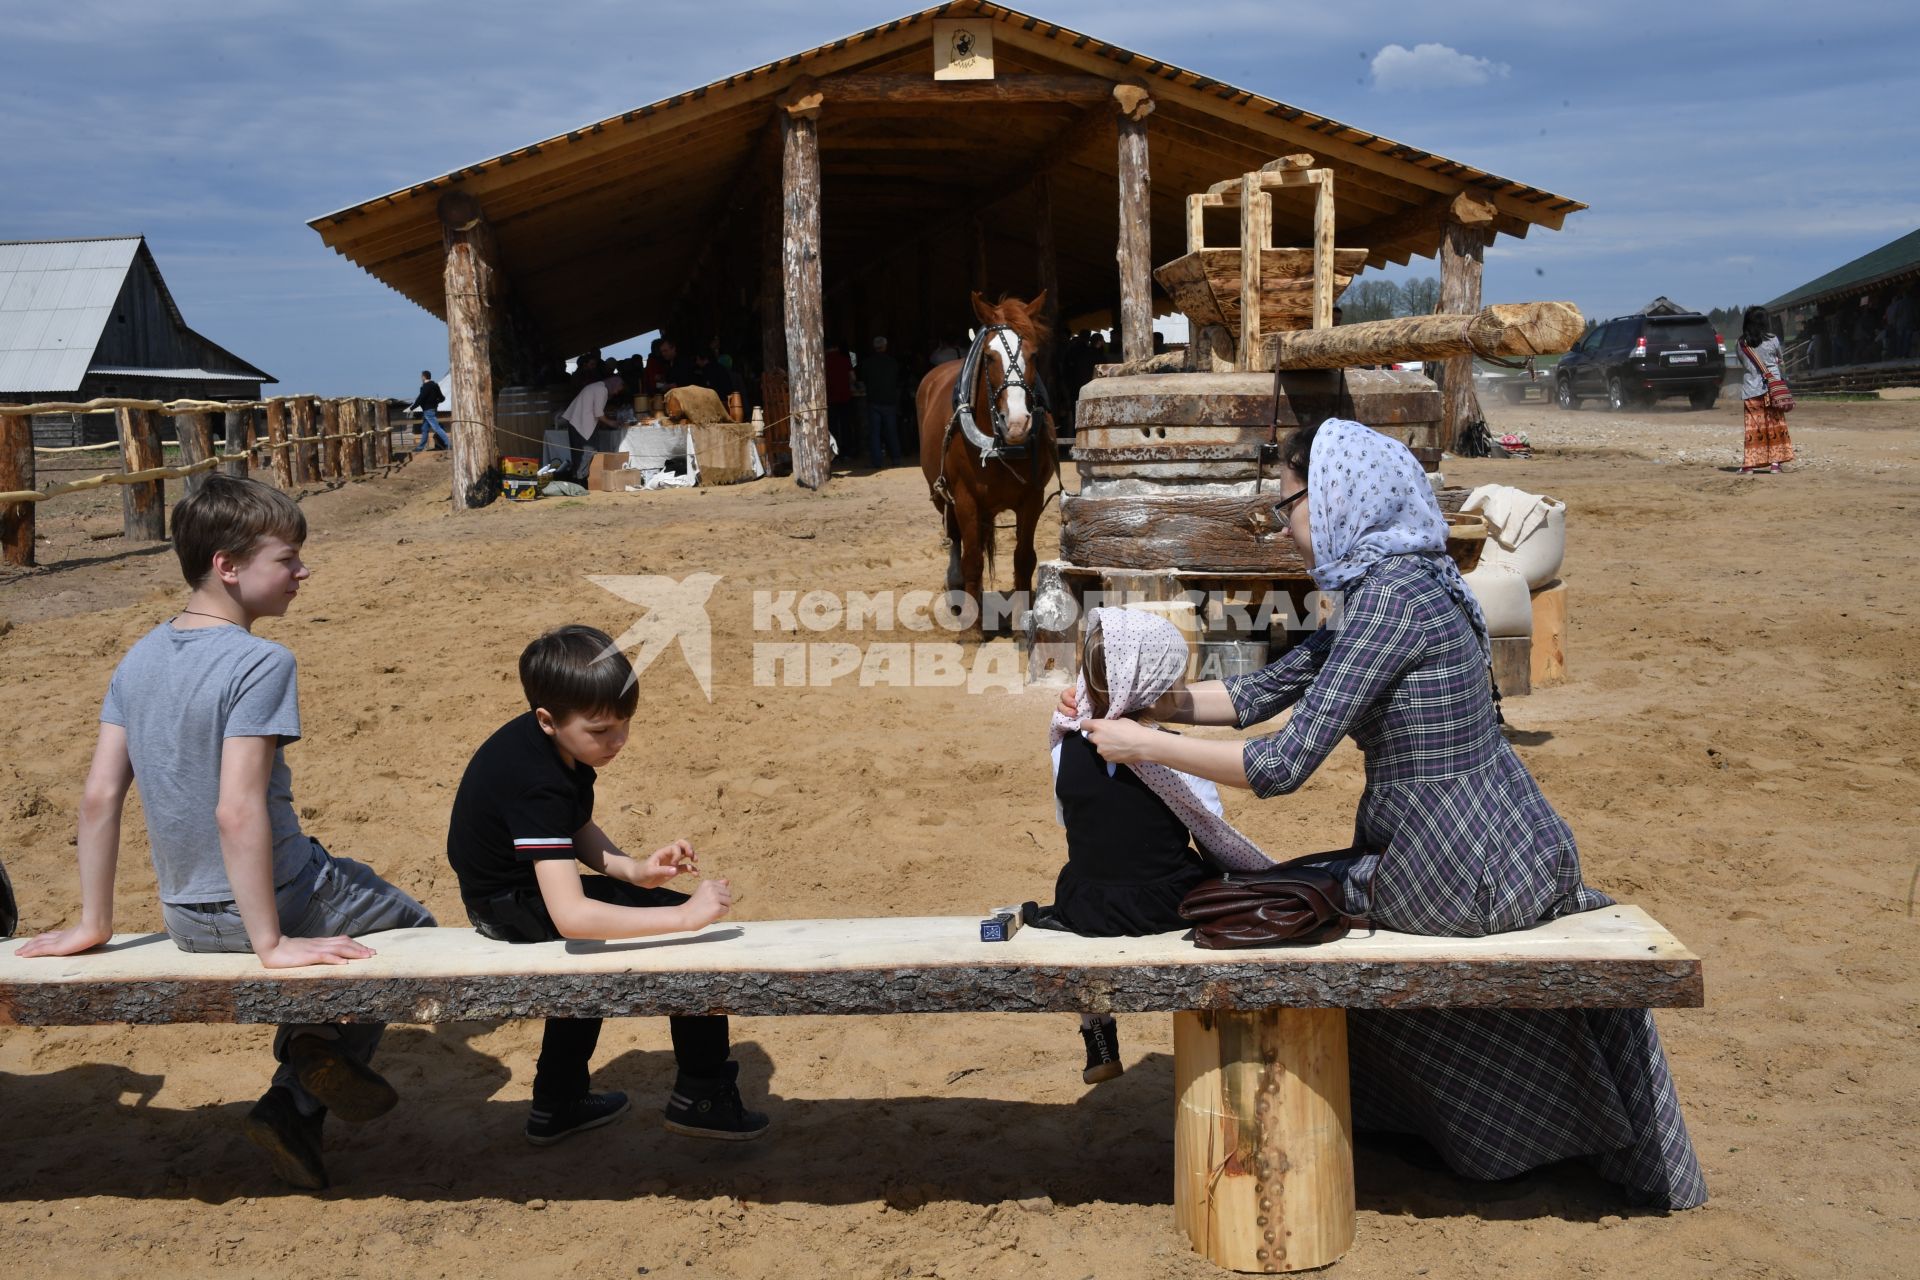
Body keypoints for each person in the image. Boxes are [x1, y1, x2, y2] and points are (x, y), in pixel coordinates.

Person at [1058, 418, 1708, 1210]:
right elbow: (1257, 694)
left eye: (1288, 504)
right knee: (1298, 893)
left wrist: (1142, 746)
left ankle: (1469, 1130)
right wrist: (1138, 702)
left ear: (1333, 500)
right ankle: (1492, 1129)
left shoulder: (1387, 602)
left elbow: (1280, 765)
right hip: (1495, 838)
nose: (1285, 528)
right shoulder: (1400, 580)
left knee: (1275, 908)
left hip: (1457, 866)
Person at [16, 475, 436, 1191]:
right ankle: (304, 1072)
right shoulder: (262, 661)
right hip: (276, 900)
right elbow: (237, 809)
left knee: (350, 896)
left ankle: (300, 1090)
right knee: (410, 925)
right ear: (228, 566)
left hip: (184, 917)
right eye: (288, 557)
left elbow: (97, 797)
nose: (304, 571)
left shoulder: (137, 657)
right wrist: (270, 942)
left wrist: (94, 921)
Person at [447, 624, 769, 1144]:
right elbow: (572, 916)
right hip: (510, 907)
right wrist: (683, 918)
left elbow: (569, 828)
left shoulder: (548, 744)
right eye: (601, 730)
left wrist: (632, 870)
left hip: (511, 896)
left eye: (625, 724)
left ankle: (559, 1100)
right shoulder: (536, 781)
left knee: (616, 937)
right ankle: (702, 1094)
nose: (616, 741)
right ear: (548, 720)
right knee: (681, 941)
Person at [1036, 608, 1255, 1084]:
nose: (1181, 690)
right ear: (1151, 689)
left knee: (1073, 876)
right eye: (1174, 680)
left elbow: (1066, 817)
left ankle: (1098, 1039)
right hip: (1165, 904)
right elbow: (1211, 828)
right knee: (1212, 877)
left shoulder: (1064, 746)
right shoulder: (1170, 755)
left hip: (1089, 908)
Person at [1738, 306, 1793, 475]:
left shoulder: (1741, 343)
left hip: (1752, 389)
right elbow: (1780, 359)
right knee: (1775, 424)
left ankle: (1750, 465)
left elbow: (1743, 363)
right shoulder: (1773, 340)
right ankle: (1775, 465)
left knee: (1754, 428)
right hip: (1773, 388)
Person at [555, 373, 624, 482]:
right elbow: (598, 413)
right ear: (614, 385)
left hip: (576, 422)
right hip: (583, 424)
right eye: (617, 389)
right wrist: (612, 423)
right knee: (588, 451)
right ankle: (582, 479)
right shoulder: (602, 390)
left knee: (578, 453)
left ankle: (577, 478)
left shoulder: (597, 386)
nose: (616, 393)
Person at [861, 336, 904, 467]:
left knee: (875, 434)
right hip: (889, 401)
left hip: (873, 401)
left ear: (874, 347)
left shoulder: (867, 363)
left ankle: (877, 461)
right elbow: (898, 380)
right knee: (891, 431)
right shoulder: (893, 362)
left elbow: (863, 379)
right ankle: (896, 458)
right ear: (885, 346)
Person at [824, 339, 855, 462]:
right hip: (845, 396)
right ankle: (847, 452)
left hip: (830, 398)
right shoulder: (845, 359)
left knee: (832, 426)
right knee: (845, 425)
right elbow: (853, 377)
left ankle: (834, 453)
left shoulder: (823, 360)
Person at [407, 370, 449, 452]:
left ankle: (449, 444)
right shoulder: (435, 385)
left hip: (428, 411)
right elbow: (442, 398)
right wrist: (435, 402)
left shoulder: (426, 386)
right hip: (432, 410)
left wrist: (411, 408)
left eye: (421, 376)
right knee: (424, 428)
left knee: (437, 428)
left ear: (423, 377)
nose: (421, 378)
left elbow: (420, 399)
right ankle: (420, 448)